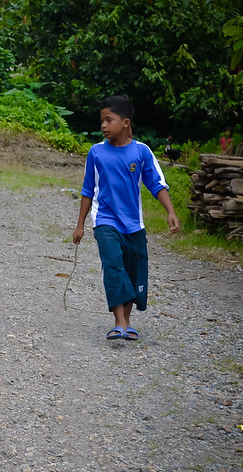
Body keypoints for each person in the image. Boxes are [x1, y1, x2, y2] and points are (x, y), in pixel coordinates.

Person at [72, 96, 180, 341]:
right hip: (105, 221)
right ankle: (119, 322)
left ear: (126, 122)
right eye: (101, 120)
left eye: (109, 120)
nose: (103, 125)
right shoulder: (96, 152)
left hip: (133, 224)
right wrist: (80, 225)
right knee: (113, 266)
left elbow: (156, 184)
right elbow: (88, 190)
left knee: (133, 270)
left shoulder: (141, 152)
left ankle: (127, 323)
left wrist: (170, 211)